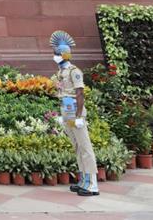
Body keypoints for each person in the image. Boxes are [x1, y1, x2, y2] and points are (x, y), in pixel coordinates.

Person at [50, 30, 99, 197]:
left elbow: (80, 94)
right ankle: (83, 180)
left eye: (57, 53)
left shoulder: (74, 71)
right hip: (67, 109)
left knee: (85, 146)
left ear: (64, 54)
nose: (54, 56)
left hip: (75, 111)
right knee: (77, 146)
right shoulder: (61, 72)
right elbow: (63, 93)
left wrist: (78, 117)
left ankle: (92, 184)